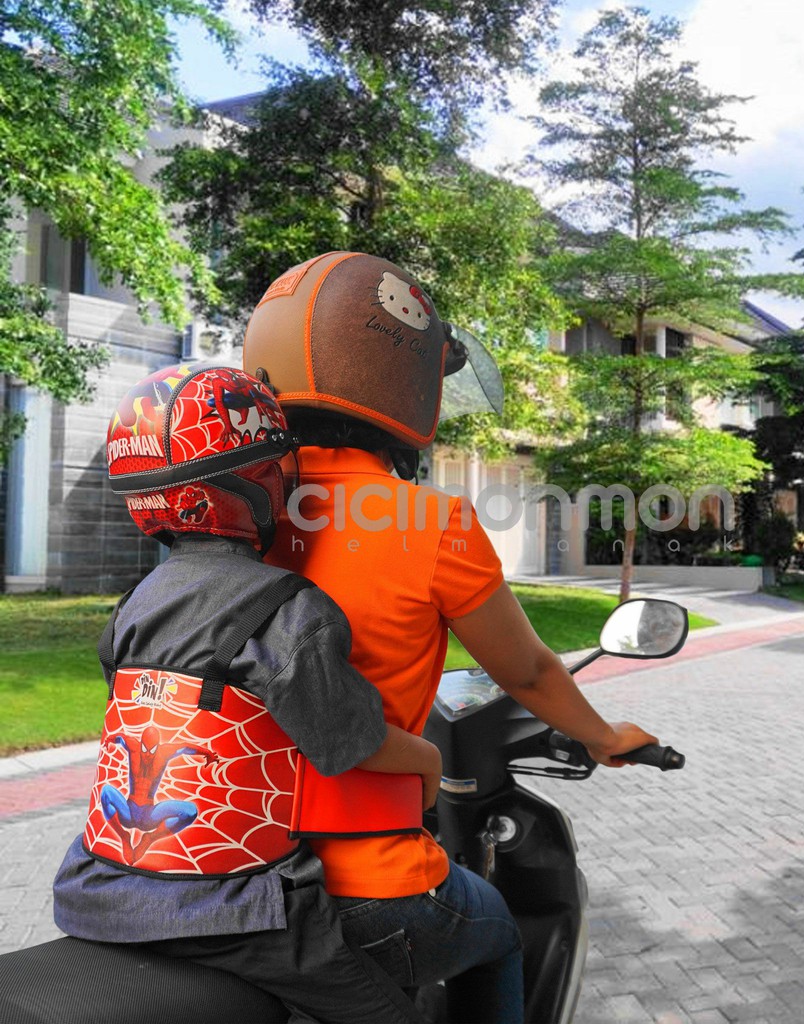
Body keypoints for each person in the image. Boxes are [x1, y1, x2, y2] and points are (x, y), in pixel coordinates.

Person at [242, 251, 660, 1024]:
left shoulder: (233, 510)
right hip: (362, 879)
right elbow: (529, 671)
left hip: (224, 868)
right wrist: (602, 737)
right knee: (499, 932)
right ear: (400, 381)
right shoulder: (430, 523)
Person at [52, 363, 440, 1024]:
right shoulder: (288, 611)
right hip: (230, 914)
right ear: (253, 481)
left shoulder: (133, 606)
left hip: (94, 890)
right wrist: (430, 763)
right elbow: (351, 744)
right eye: (277, 466)